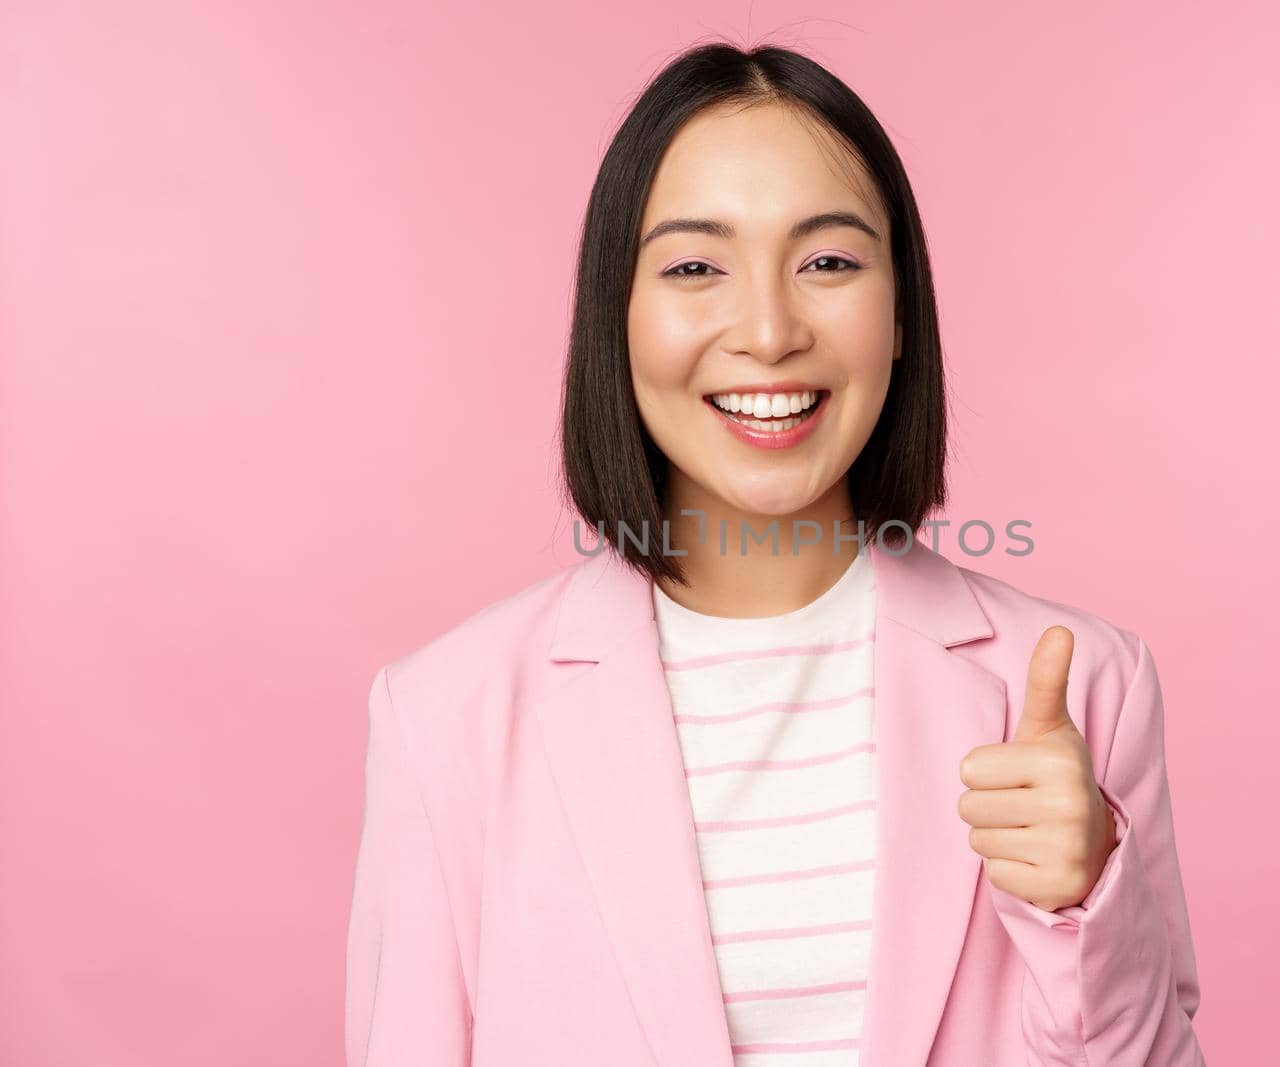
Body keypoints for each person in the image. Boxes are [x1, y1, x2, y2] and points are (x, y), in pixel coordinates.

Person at [345, 41, 1206, 1067]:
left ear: (899, 318)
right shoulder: (447, 713)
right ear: (615, 318)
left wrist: (1089, 897)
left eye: (829, 262)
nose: (766, 329)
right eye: (695, 267)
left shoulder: (1079, 685)